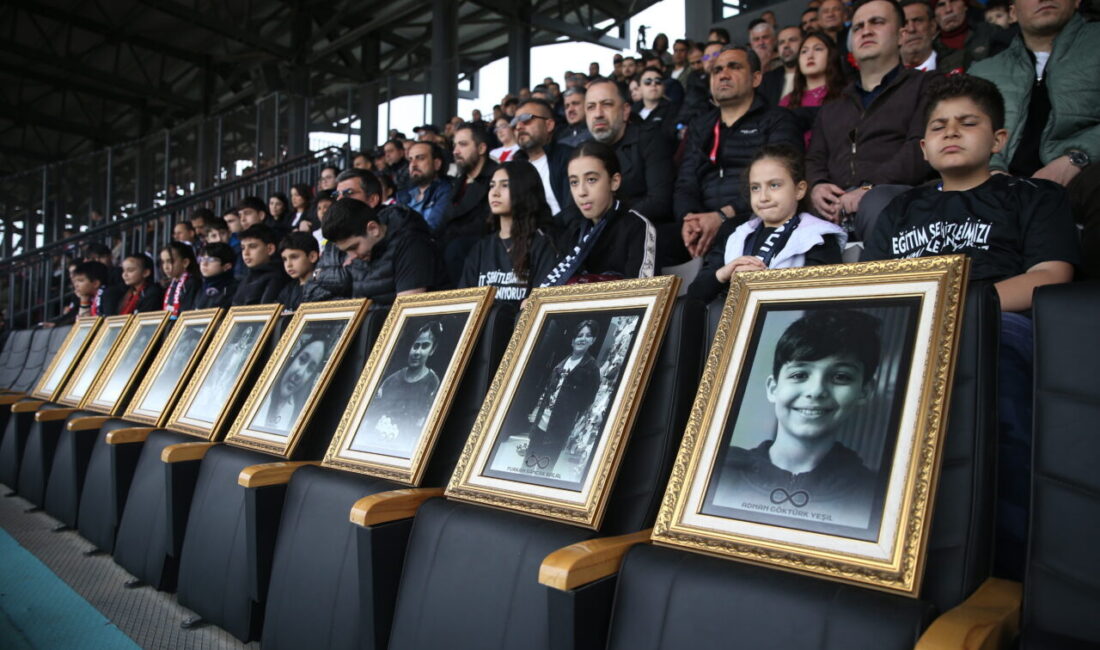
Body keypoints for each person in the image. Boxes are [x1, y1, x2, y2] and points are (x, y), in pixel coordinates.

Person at [861, 73, 1080, 579]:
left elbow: (1051, 275)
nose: (951, 132)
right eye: (938, 126)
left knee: (988, 364)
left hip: (996, 325)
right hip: (907, 328)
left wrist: (960, 307)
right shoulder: (900, 208)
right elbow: (869, 284)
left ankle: (1002, 571)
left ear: (998, 139)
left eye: (967, 122)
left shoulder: (1033, 198)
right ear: (923, 146)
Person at [713, 309, 881, 529]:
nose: (816, 391)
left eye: (841, 377)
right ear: (773, 388)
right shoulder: (718, 470)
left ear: (865, 392)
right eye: (799, 375)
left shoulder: (877, 495)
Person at [970, 0, 1100, 278]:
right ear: (1013, 12)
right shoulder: (984, 71)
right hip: (1001, 181)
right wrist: (993, 170)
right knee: (922, 198)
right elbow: (965, 134)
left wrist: (1075, 159)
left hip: (1083, 175)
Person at [806, 0, 936, 241]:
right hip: (835, 208)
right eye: (858, 27)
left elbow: (920, 147)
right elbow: (815, 157)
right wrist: (817, 186)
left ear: (901, 35)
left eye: (877, 22)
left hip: (898, 200)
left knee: (876, 203)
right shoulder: (833, 104)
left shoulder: (926, 86)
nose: (866, 31)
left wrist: (869, 187)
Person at [675, 45, 803, 259]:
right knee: (653, 237)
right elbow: (685, 181)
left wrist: (723, 215)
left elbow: (780, 181)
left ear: (756, 78)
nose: (723, 75)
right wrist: (690, 219)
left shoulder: (778, 119)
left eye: (734, 67)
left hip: (755, 216)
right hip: (703, 221)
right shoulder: (701, 125)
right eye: (717, 70)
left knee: (730, 234)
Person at [689, 145, 846, 302]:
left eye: (774, 185)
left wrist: (761, 282)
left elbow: (825, 298)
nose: (763, 197)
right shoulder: (734, 231)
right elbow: (695, 294)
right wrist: (724, 273)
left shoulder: (819, 235)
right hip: (732, 324)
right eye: (755, 188)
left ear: (799, 190)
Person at [306, 173, 447, 305]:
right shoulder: (346, 242)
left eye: (349, 193)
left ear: (373, 229)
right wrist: (341, 279)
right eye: (337, 195)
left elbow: (408, 312)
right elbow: (314, 278)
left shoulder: (411, 242)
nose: (350, 259)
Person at [540, 142, 656, 286]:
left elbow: (642, 293)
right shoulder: (574, 232)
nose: (581, 191)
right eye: (574, 182)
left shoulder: (637, 227)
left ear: (614, 181)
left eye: (591, 180)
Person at [460, 161, 560, 303]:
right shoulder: (482, 248)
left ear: (524, 189)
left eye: (505, 185)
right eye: (492, 185)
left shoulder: (543, 244)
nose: (494, 193)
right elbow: (464, 303)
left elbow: (543, 304)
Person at [350, 320, 444, 456]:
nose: (417, 352)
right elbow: (370, 415)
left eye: (425, 346)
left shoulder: (432, 383)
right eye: (415, 346)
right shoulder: (391, 381)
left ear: (432, 350)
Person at [524, 319, 601, 472]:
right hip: (541, 422)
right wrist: (536, 411)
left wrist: (569, 416)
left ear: (593, 340)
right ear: (573, 340)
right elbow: (547, 391)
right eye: (579, 335)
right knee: (526, 465)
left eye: (587, 336)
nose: (582, 339)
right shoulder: (561, 364)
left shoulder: (592, 369)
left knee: (544, 470)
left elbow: (587, 401)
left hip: (558, 429)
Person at [441, 122, 499, 282]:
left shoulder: (496, 177)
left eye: (463, 144)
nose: (455, 151)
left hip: (480, 246)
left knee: (455, 249)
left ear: (481, 149)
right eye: (454, 145)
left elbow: (488, 223)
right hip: (453, 243)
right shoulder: (460, 181)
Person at [253, 328, 337, 434]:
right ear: (293, 358)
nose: (300, 373)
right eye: (302, 360)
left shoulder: (297, 418)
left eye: (310, 369)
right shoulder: (257, 393)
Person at [511, 98, 575, 222]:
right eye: (514, 122)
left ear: (549, 125)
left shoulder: (569, 158)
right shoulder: (514, 165)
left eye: (526, 119)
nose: (518, 126)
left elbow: (573, 212)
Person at [782, 31, 847, 148]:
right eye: (804, 51)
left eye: (818, 49)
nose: (810, 56)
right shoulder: (787, 101)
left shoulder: (847, 94)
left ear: (831, 55)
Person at [932, 0, 1009, 71]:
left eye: (954, 1)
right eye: (941, 5)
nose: (949, 9)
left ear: (965, 6)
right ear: (934, 15)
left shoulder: (990, 32)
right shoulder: (929, 51)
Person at [397, 142, 453, 231]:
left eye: (420, 158)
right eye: (410, 160)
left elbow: (433, 229)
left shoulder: (446, 191)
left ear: (436, 164)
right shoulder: (403, 195)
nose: (413, 164)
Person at [232, 224, 290, 306]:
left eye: (252, 247)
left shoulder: (277, 277)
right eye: (243, 248)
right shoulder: (247, 277)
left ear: (270, 249)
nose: (245, 253)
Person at [45, 261, 110, 326]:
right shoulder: (87, 297)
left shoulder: (107, 295)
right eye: (75, 281)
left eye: (80, 281)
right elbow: (82, 325)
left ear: (96, 283)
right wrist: (84, 300)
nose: (76, 285)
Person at [633, 67, 680, 146]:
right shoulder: (632, 111)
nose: (653, 84)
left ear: (663, 86)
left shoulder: (675, 110)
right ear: (639, 88)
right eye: (647, 82)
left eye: (658, 81)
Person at [276, 232, 320, 312]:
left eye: (294, 257)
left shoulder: (323, 285)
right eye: (284, 259)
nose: (288, 264)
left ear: (312, 257)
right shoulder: (288, 290)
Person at [159, 241, 201, 317]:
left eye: (170, 261)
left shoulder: (192, 283)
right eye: (163, 262)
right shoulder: (169, 283)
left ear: (185, 262)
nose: (165, 267)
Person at [193, 242, 238, 310]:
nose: (204, 263)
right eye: (202, 259)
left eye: (211, 260)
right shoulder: (200, 285)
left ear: (227, 266)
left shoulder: (233, 289)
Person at [900, 0, 941, 71]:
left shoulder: (960, 61)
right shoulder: (883, 77)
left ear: (932, 26)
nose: (911, 29)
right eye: (904, 24)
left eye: (918, 21)